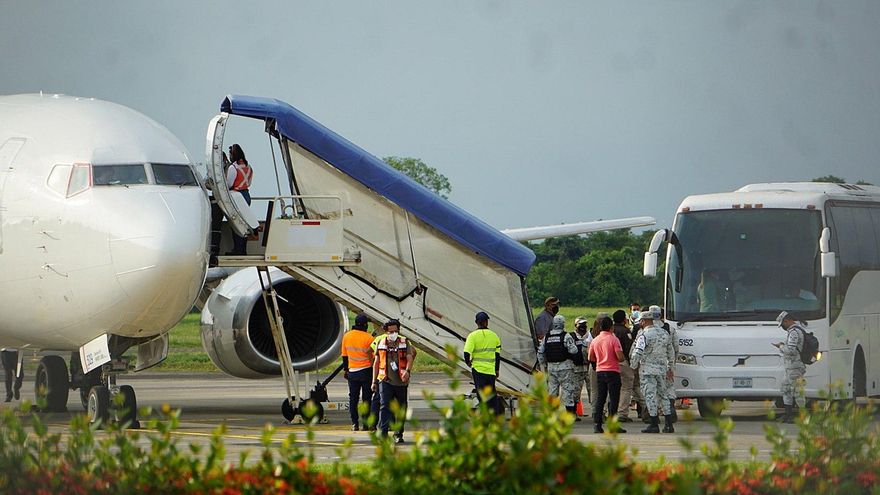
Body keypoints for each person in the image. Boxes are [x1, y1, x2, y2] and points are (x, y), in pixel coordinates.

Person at [630, 307, 676, 433]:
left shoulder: (644, 335)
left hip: (647, 370)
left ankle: (654, 424)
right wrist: (670, 368)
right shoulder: (664, 333)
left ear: (644, 321)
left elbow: (638, 352)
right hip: (662, 370)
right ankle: (668, 424)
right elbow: (671, 353)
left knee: (650, 396)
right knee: (664, 396)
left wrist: (633, 366)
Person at [372, 319, 416, 443]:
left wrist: (407, 371)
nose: (394, 333)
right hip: (385, 380)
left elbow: (410, 357)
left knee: (401, 408)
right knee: (384, 406)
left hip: (401, 381)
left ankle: (398, 433)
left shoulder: (404, 342)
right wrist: (374, 381)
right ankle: (383, 432)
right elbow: (376, 363)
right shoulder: (380, 342)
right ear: (386, 332)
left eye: (396, 331)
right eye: (391, 331)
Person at [588, 317, 626, 434]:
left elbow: (590, 358)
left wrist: (600, 359)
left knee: (601, 398)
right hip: (613, 371)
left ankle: (597, 425)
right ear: (611, 327)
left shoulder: (595, 340)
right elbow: (620, 357)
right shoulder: (614, 340)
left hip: (600, 371)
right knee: (614, 400)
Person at [538, 315, 580, 417]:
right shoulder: (566, 336)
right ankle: (570, 415)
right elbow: (573, 350)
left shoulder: (547, 337)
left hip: (551, 368)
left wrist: (543, 364)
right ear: (563, 324)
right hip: (565, 367)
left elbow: (540, 352)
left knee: (552, 391)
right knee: (567, 391)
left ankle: (552, 415)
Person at [464, 311, 503, 415]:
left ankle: (485, 416)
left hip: (478, 370)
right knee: (491, 394)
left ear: (476, 322)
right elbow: (497, 356)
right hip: (490, 371)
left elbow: (466, 353)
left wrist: (468, 363)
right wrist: (497, 370)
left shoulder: (472, 336)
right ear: (487, 322)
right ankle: (494, 415)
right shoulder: (495, 336)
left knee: (481, 395)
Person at [341, 313, 375, 431]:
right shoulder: (369, 338)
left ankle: (355, 423)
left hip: (352, 371)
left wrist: (346, 370)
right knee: (366, 398)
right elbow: (373, 356)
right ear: (365, 325)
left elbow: (344, 356)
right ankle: (366, 424)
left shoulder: (347, 336)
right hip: (366, 371)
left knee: (353, 398)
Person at [773, 311, 806, 423]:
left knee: (798, 391)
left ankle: (803, 416)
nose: (782, 327)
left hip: (795, 367)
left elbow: (791, 350)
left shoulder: (794, 332)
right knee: (786, 389)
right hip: (790, 367)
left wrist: (781, 346)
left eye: (782, 324)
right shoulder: (794, 331)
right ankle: (788, 415)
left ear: (786, 321)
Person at [225, 144, 253, 255]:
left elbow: (229, 183)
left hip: (236, 196)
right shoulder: (248, 166)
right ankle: (243, 249)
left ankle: (238, 249)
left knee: (236, 223)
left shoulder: (233, 167)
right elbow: (249, 183)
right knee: (245, 223)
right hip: (246, 195)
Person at [611, 310, 636, 422]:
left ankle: (611, 411)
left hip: (610, 363)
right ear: (623, 319)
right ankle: (622, 413)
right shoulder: (626, 331)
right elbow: (629, 349)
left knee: (613, 389)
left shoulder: (610, 330)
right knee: (626, 387)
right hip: (623, 361)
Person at [571, 317, 592, 418]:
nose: (583, 327)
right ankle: (573, 412)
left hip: (589, 367)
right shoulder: (571, 336)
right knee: (576, 390)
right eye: (580, 325)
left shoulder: (590, 335)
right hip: (577, 368)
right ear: (576, 326)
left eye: (584, 325)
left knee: (591, 390)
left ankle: (596, 412)